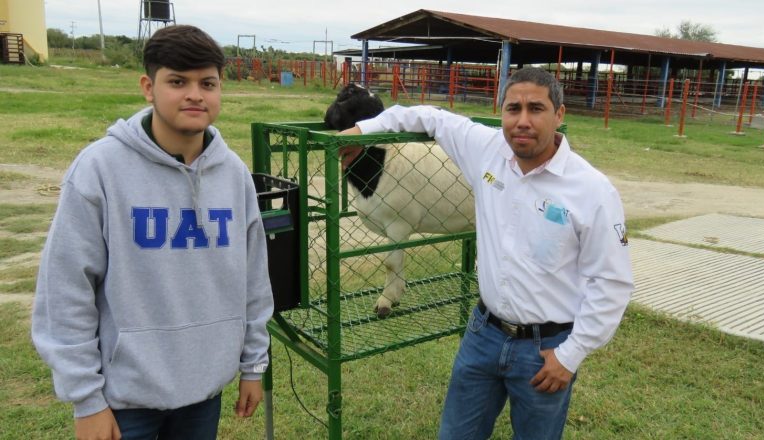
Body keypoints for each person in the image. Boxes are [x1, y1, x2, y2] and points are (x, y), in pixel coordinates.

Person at [341, 67, 634, 439]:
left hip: (546, 349)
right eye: (513, 109)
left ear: (559, 115)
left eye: (536, 109)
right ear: (502, 113)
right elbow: (429, 117)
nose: (523, 121)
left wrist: (571, 354)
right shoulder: (487, 150)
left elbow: (613, 282)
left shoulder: (592, 191)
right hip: (484, 334)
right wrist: (364, 130)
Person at [31, 25, 274, 440]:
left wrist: (253, 365)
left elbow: (253, 278)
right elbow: (66, 287)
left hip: (204, 391)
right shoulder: (100, 169)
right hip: (125, 399)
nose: (195, 94)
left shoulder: (233, 174)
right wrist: (86, 399)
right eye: (178, 81)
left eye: (207, 83)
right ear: (149, 86)